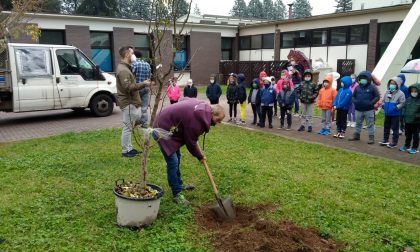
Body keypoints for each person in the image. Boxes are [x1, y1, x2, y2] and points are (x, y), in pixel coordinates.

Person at [153, 98, 225, 205]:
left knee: (177, 156)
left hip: (171, 127)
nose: (218, 123)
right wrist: (200, 156)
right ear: (212, 114)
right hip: (162, 129)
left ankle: (179, 184)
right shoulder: (197, 121)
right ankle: (177, 194)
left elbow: (184, 99)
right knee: (173, 162)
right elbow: (190, 143)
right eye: (218, 120)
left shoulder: (203, 107)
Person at [116, 46, 151, 158]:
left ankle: (129, 148)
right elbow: (128, 87)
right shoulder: (123, 70)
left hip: (131, 102)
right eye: (132, 53)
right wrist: (143, 83)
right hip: (128, 102)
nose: (133, 55)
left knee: (130, 126)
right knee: (127, 128)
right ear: (127, 55)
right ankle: (126, 151)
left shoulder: (126, 68)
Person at [348, 70, 380, 144]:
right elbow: (353, 96)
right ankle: (356, 135)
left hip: (368, 110)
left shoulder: (372, 87)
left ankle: (371, 138)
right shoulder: (357, 87)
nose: (363, 79)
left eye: (365, 78)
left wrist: (371, 103)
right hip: (358, 109)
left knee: (370, 124)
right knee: (358, 123)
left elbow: (377, 97)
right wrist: (354, 102)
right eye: (361, 78)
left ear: (368, 79)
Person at [379, 77, 406, 148]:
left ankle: (394, 142)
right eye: (391, 83)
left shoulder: (401, 93)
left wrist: (396, 107)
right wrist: (382, 105)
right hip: (387, 113)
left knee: (395, 129)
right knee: (386, 127)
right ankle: (385, 140)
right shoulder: (387, 92)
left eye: (394, 83)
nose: (392, 85)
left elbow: (402, 103)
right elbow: (383, 100)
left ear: (397, 84)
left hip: (395, 114)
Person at [131, 50, 151, 128]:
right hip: (146, 87)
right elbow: (149, 76)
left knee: (134, 106)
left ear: (134, 56)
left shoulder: (134, 64)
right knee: (144, 107)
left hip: (137, 88)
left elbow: (130, 75)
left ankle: (136, 121)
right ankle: (145, 123)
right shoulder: (147, 64)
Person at [399, 83, 419, 154]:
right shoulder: (408, 99)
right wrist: (404, 114)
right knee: (408, 134)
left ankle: (414, 148)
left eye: (415, 91)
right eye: (412, 91)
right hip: (407, 120)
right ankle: (407, 145)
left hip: (416, 122)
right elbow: (404, 107)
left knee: (416, 135)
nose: (413, 93)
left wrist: (416, 116)